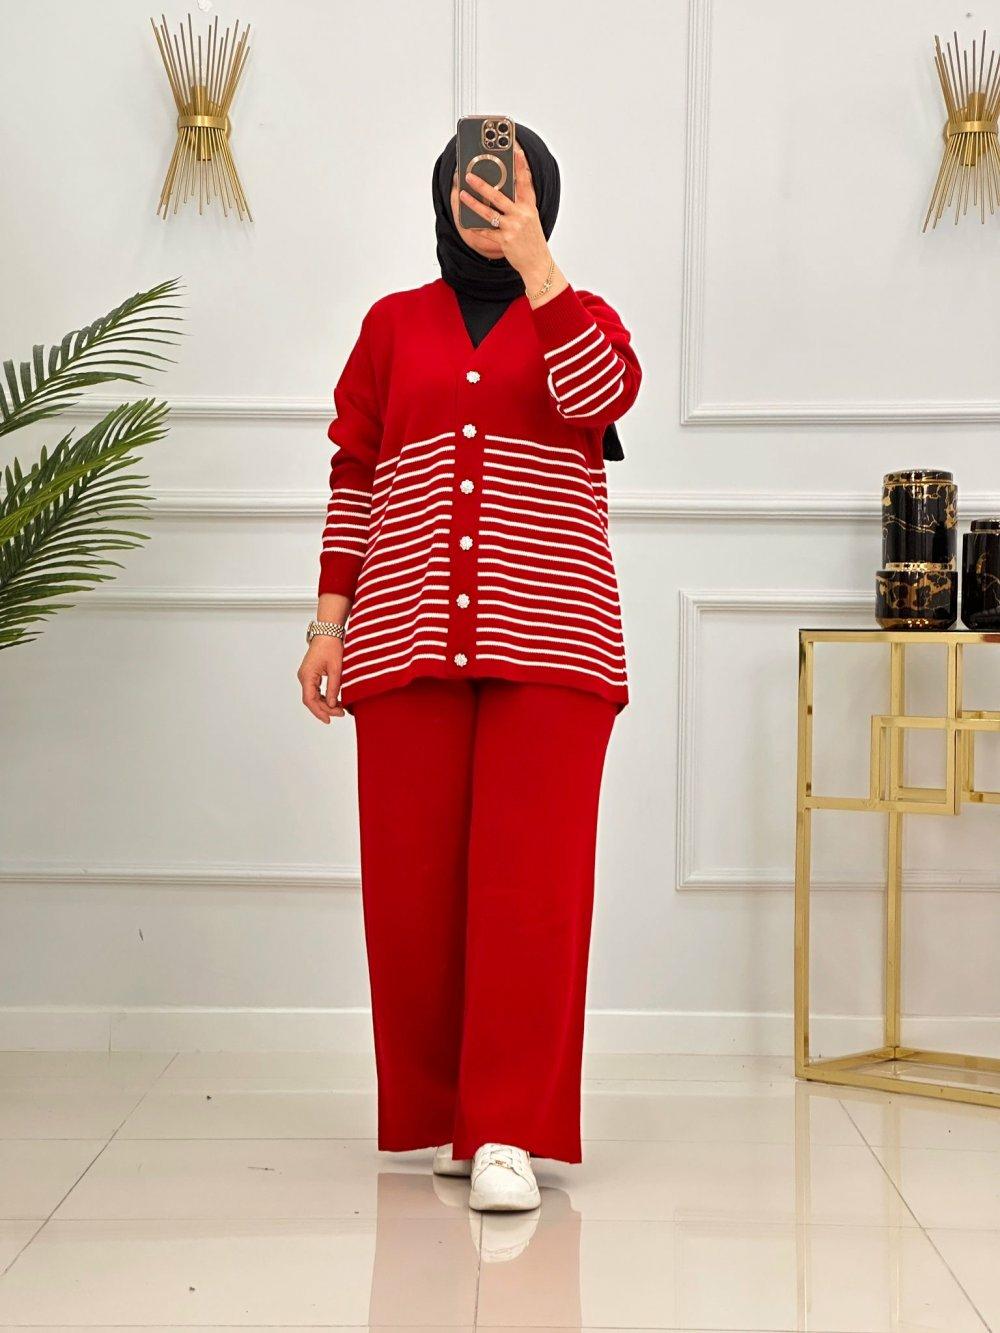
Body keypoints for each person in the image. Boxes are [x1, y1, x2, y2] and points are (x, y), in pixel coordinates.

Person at [297, 121, 641, 1212]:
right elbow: (355, 473)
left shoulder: (581, 315)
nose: (486, 199)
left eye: (509, 185)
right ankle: (452, 1114)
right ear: (442, 194)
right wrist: (327, 624)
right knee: (415, 890)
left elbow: (602, 397)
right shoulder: (392, 325)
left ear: (543, 195)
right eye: (470, 183)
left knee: (530, 890)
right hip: (402, 637)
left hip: (554, 641)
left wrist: (537, 263)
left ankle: (508, 1130)